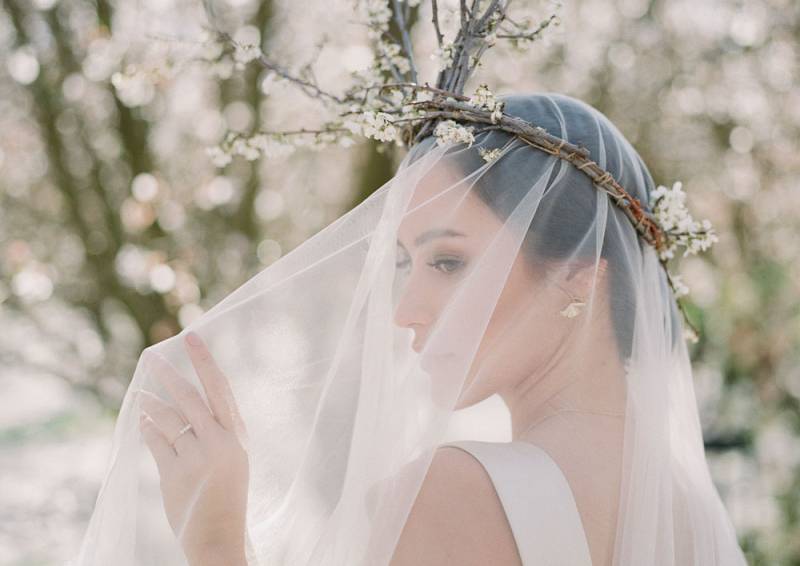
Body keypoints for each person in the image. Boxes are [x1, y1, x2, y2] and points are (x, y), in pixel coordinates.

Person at [70, 93, 748, 566]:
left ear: (579, 275)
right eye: (406, 264)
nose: (406, 309)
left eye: (449, 261)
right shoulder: (690, 517)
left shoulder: (451, 494)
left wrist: (214, 541)